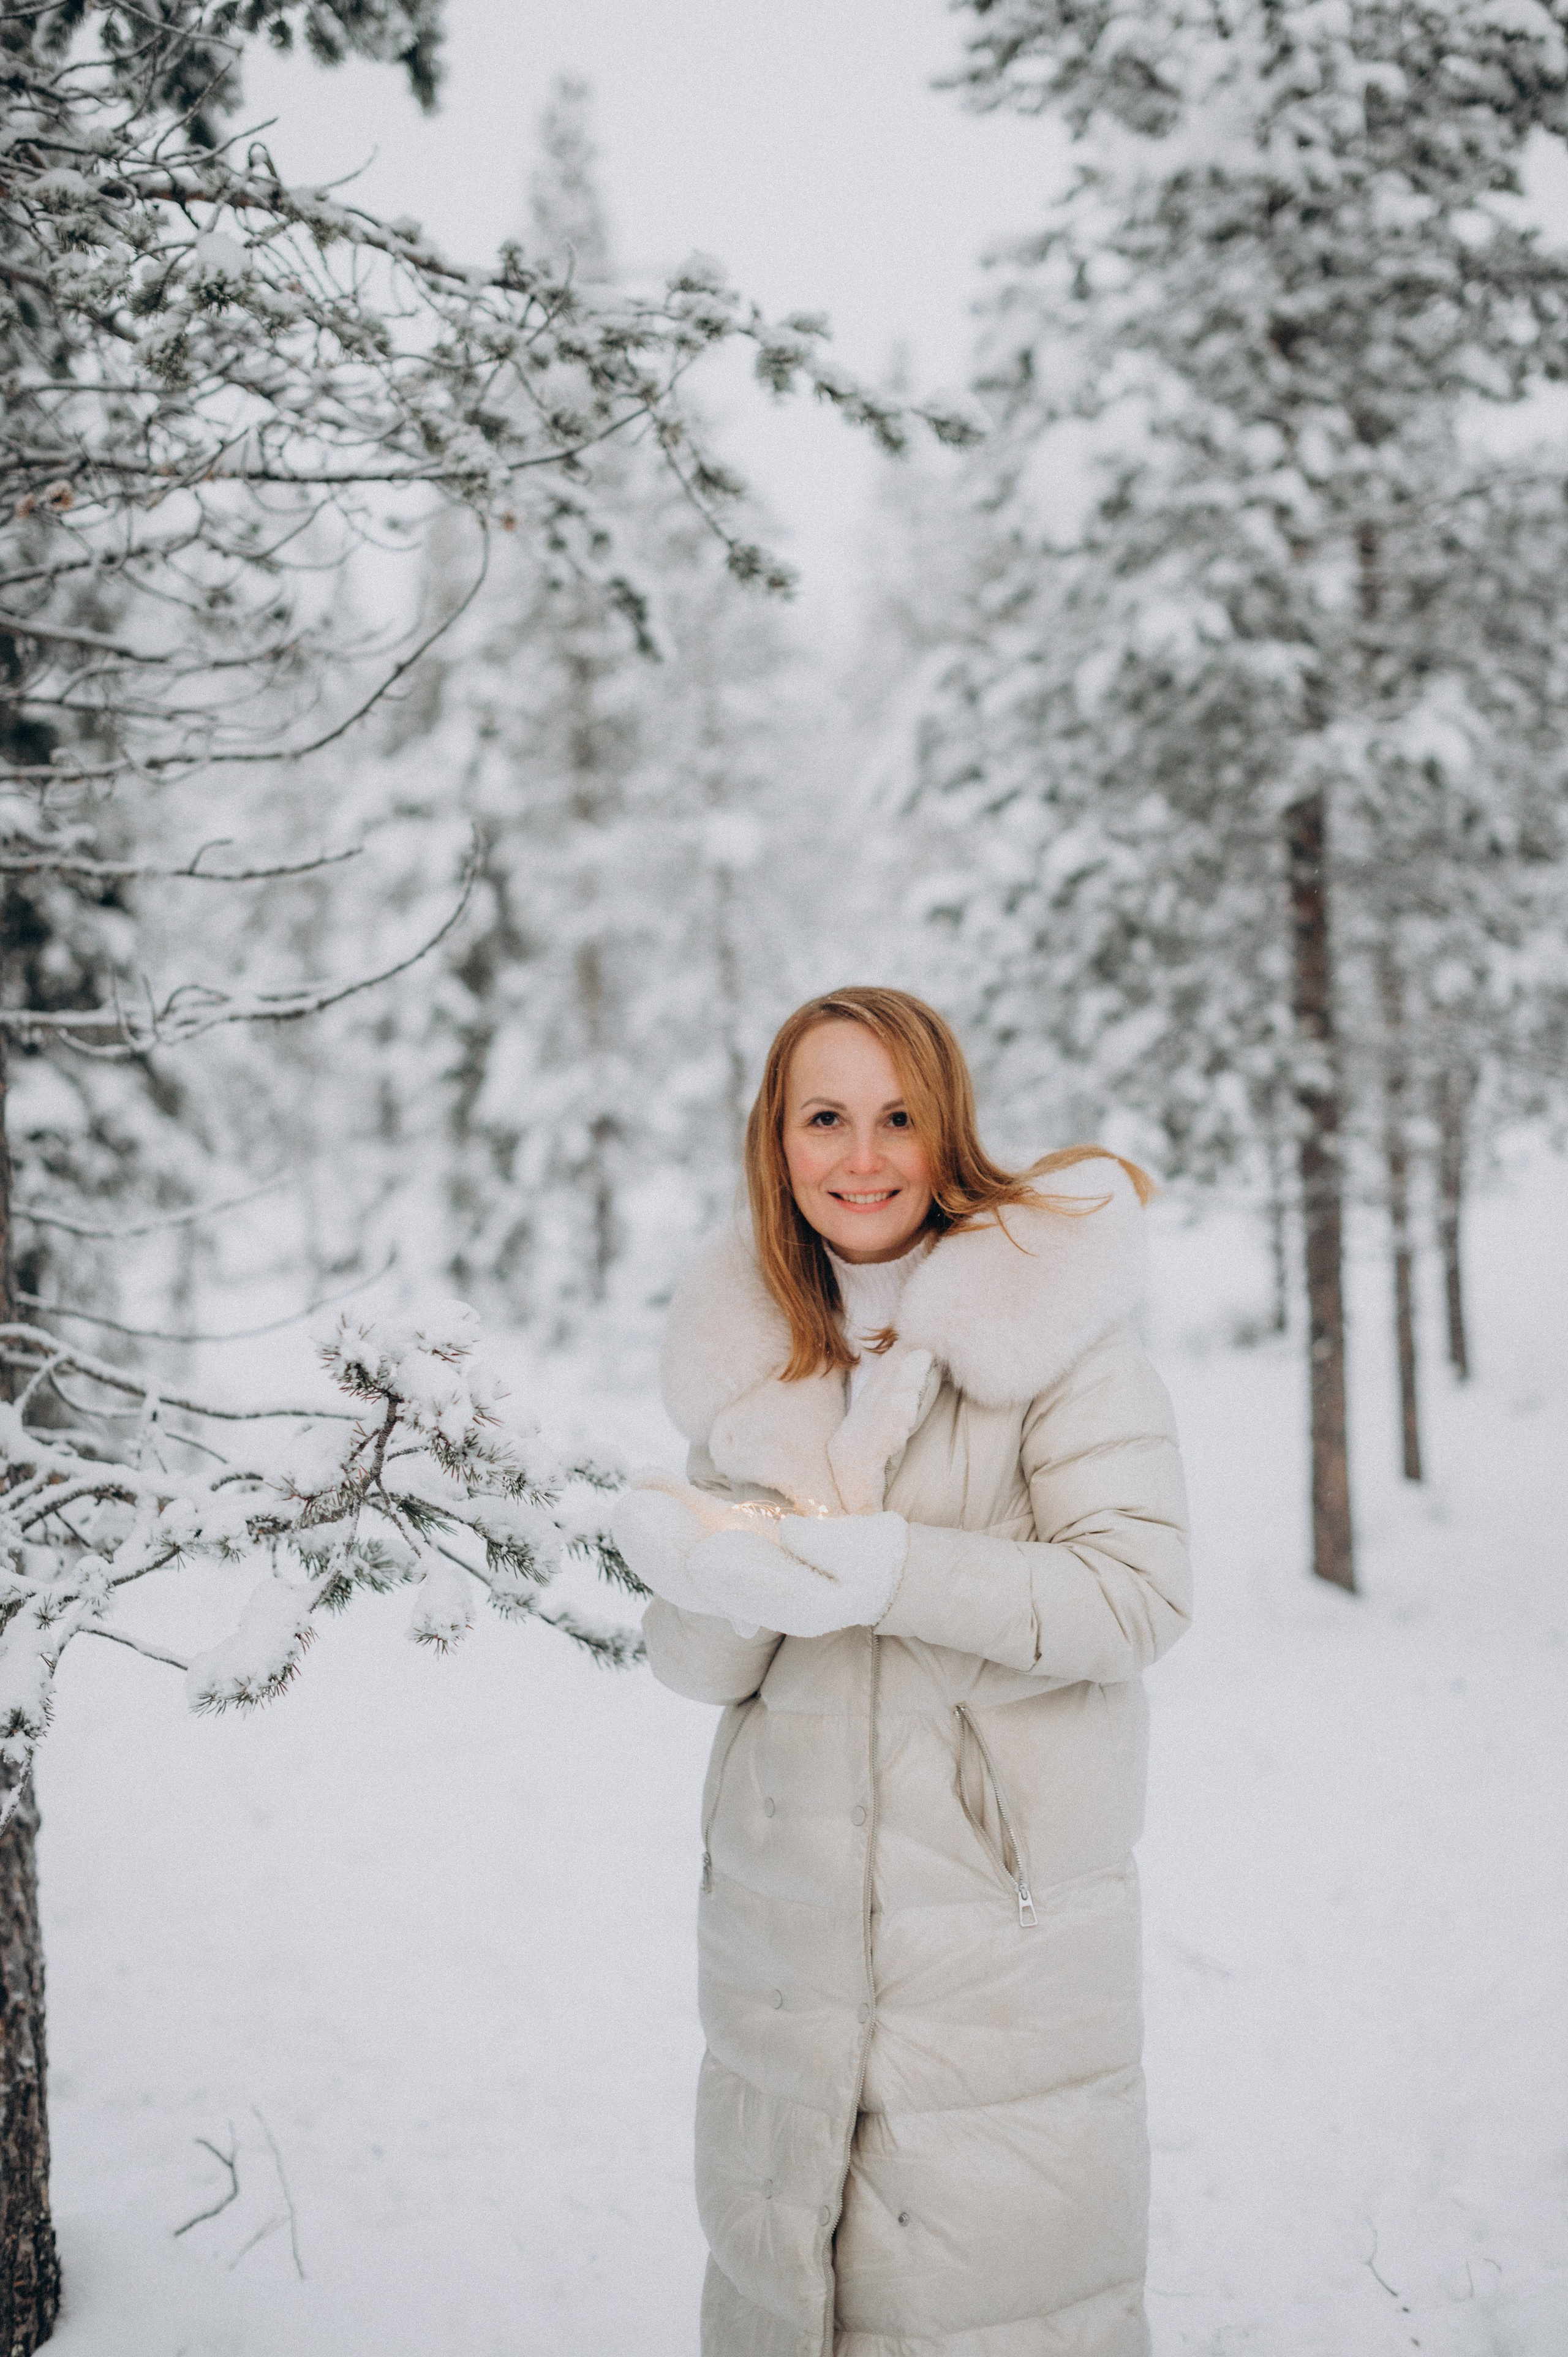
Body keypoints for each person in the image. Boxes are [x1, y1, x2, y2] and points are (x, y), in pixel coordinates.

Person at [612, 986, 1192, 2357]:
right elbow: (700, 1667)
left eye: (895, 1118)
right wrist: (706, 1573)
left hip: (995, 1945)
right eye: (824, 1117)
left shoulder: (1053, 1340)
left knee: (984, 2311)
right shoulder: (754, 1360)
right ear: (777, 1140)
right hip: (784, 1950)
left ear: (947, 1136)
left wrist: (896, 1570)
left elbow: (1137, 1592)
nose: (859, 1157)